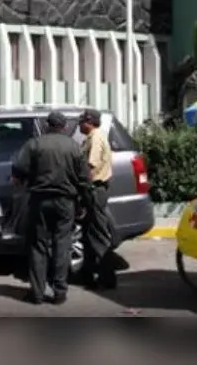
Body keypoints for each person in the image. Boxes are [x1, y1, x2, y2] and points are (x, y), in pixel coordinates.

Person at [11, 111, 94, 305]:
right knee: (62, 246)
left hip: (39, 201)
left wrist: (23, 182)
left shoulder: (34, 144)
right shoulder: (74, 147)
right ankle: (60, 293)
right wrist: (85, 204)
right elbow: (85, 180)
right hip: (65, 202)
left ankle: (37, 293)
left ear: (48, 125)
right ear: (64, 127)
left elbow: (18, 169)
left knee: (38, 246)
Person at [76, 108, 119, 290]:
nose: (79, 125)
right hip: (93, 190)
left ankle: (107, 277)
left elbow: (89, 166)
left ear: (89, 122)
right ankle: (88, 274)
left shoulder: (95, 138)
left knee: (99, 234)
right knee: (88, 234)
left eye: (81, 122)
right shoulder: (93, 137)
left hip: (94, 190)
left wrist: (78, 184)